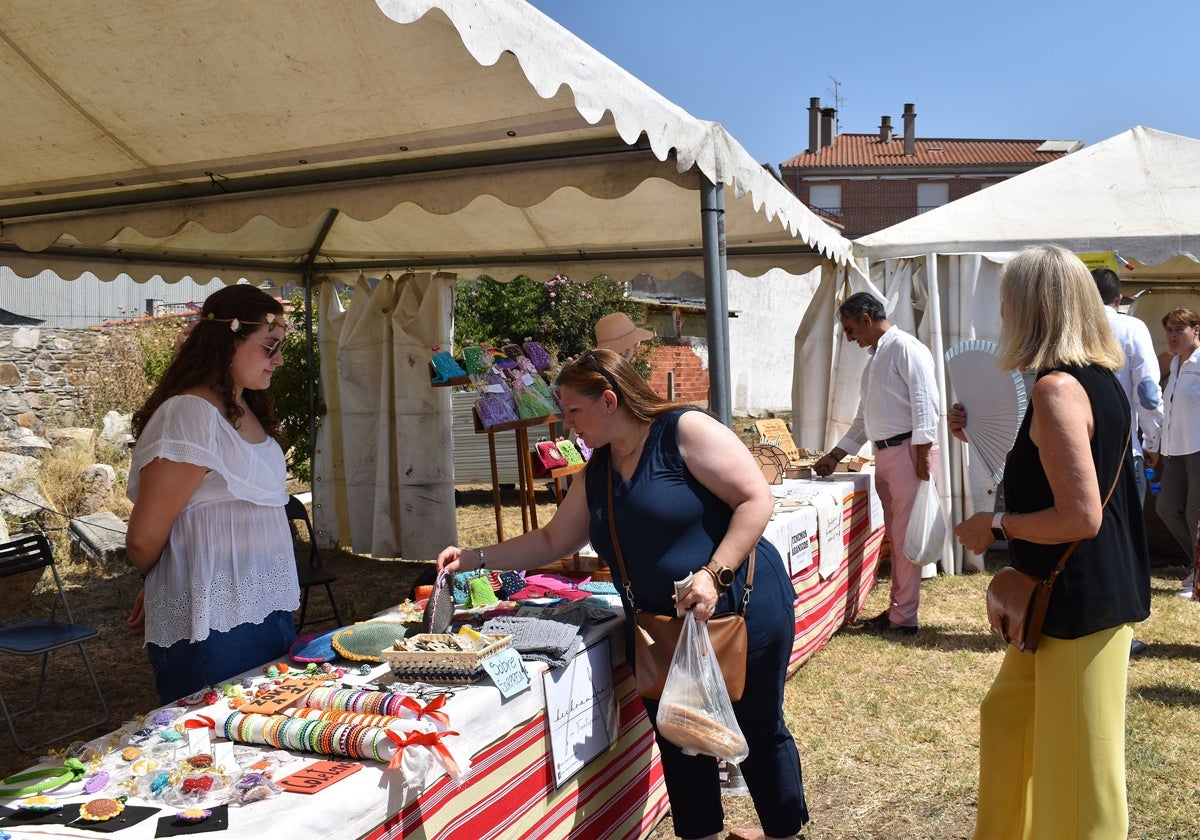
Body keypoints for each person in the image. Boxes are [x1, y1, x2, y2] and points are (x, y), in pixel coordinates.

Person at [437, 348, 807, 840]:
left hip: (741, 610)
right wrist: (475, 557)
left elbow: (755, 497)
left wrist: (715, 574)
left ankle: (784, 832)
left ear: (609, 400)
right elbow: (552, 540)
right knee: (681, 740)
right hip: (660, 632)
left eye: (574, 410)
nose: (568, 425)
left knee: (759, 729)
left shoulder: (684, 432)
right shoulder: (598, 469)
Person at [952, 244, 1150, 840]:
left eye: (1008, 303)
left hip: (1079, 603)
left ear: (1031, 309)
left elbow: (1081, 515)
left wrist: (995, 526)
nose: (1001, 316)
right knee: (1009, 720)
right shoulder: (1096, 380)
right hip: (1061, 598)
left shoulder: (1057, 388)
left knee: (1082, 770)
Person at [125, 284, 300, 704]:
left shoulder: (247, 409)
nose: (277, 360)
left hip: (267, 610)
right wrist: (175, 576)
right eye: (269, 347)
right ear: (228, 341)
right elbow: (143, 539)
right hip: (213, 624)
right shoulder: (190, 414)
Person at [811, 291, 939, 634]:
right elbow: (863, 420)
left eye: (851, 330)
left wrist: (923, 456)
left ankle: (903, 618)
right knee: (896, 538)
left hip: (909, 452)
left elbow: (926, 404)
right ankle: (899, 611)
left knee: (905, 537)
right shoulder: (876, 359)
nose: (851, 339)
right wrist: (836, 455)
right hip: (887, 454)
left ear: (866, 320)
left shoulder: (906, 348)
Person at [1092, 267, 1163, 652]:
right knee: (1124, 541)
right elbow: (1148, 394)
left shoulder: (1071, 330)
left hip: (1075, 452)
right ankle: (1121, 629)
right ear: (1120, 299)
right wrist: (1152, 439)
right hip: (1121, 454)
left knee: (1082, 538)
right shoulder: (1132, 329)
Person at [1155, 307, 1200, 599]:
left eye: (1179, 330)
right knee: (1167, 508)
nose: (1172, 336)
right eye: (1169, 330)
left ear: (1196, 330)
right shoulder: (1173, 363)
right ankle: (1196, 567)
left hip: (1197, 448)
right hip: (1173, 448)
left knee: (1195, 516)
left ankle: (1196, 574)